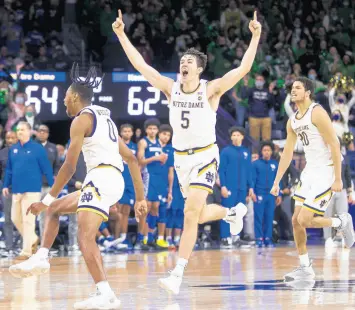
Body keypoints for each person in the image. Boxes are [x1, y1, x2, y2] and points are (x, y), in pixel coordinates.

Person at [113, 9, 261, 294]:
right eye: (182, 61)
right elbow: (141, 66)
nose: (184, 64)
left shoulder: (211, 90)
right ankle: (231, 213)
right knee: (201, 214)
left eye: (189, 62)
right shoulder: (171, 88)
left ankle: (177, 274)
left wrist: (255, 36)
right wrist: (121, 34)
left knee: (190, 214)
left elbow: (242, 70)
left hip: (206, 156)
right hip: (181, 159)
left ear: (199, 69)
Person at [8, 63, 147, 310]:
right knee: (56, 211)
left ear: (74, 96)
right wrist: (139, 198)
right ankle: (41, 258)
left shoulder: (81, 121)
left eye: (65, 100)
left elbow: (69, 167)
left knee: (84, 237)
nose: (64, 105)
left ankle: (105, 293)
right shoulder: (107, 120)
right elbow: (132, 159)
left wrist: (46, 198)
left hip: (101, 178)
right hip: (111, 179)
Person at [270, 77, 355, 281]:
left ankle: (341, 220)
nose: (293, 90)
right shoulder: (293, 120)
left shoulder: (317, 112)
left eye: (298, 87)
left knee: (305, 219)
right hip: (309, 171)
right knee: (295, 221)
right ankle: (305, 267)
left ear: (308, 92)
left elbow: (335, 145)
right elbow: (288, 152)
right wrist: (276, 180)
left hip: (325, 170)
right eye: (292, 88)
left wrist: (337, 178)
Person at [3, 122, 54, 260]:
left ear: (30, 131)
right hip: (17, 189)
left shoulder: (37, 149)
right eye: (18, 130)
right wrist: (5, 185)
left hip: (32, 190)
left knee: (28, 220)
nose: (19, 132)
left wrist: (53, 187)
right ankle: (32, 239)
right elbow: (9, 170)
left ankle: (26, 252)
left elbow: (47, 169)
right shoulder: (13, 149)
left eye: (22, 129)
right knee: (14, 218)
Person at [218, 126, 255, 248]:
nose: (235, 137)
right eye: (233, 135)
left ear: (242, 137)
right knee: (227, 212)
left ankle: (236, 237)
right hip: (229, 187)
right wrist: (223, 186)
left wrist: (251, 187)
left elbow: (249, 171)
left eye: (238, 135)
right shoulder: (226, 151)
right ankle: (225, 237)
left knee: (238, 212)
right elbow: (221, 170)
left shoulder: (246, 152)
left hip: (242, 188)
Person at [136, 118, 167, 250]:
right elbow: (140, 160)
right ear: (146, 130)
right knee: (146, 207)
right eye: (150, 128)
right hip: (148, 176)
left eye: (154, 129)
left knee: (155, 207)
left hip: (158, 177)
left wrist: (162, 159)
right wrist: (156, 158)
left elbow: (161, 160)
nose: (152, 131)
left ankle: (149, 237)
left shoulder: (159, 144)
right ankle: (140, 239)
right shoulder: (143, 142)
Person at [252, 141, 282, 248]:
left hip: (271, 195)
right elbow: (252, 179)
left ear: (271, 152)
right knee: (259, 217)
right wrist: (252, 192)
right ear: (261, 152)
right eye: (264, 150)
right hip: (259, 194)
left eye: (268, 150)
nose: (266, 152)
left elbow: (278, 180)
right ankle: (259, 239)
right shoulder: (255, 164)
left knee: (269, 217)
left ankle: (268, 238)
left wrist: (279, 194)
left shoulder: (275, 164)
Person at [117, 123, 137, 249]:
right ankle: (116, 238)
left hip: (130, 183)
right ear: (121, 133)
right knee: (118, 212)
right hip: (118, 180)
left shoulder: (135, 147)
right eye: (125, 131)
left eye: (129, 131)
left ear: (132, 133)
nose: (127, 133)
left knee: (126, 211)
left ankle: (123, 238)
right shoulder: (115, 145)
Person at [156, 124, 174, 247]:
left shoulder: (171, 150)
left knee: (163, 211)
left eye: (168, 135)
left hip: (163, 185)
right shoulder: (150, 146)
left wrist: (170, 191)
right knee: (150, 210)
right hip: (150, 183)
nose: (166, 137)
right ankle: (146, 238)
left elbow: (171, 171)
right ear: (159, 134)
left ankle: (160, 239)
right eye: (164, 134)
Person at [0, 130, 18, 257]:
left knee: (23, 219)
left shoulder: (24, 151)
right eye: (8, 138)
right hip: (7, 191)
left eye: (12, 137)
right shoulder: (1, 153)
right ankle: (9, 246)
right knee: (8, 220)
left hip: (23, 190)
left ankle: (24, 247)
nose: (10, 140)